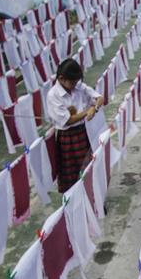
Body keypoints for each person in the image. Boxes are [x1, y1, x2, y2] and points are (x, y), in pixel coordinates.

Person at [45, 58, 103, 193]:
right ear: (61, 78)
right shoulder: (53, 95)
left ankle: (93, 199)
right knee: (71, 175)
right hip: (68, 138)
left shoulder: (78, 86)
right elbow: (68, 121)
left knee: (89, 168)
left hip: (84, 132)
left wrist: (94, 108)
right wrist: (87, 111)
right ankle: (74, 203)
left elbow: (99, 98)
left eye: (76, 81)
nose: (75, 84)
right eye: (72, 82)